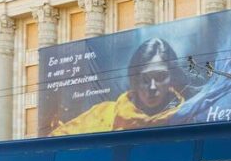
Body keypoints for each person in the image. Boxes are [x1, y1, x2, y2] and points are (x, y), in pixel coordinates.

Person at [52, 38, 187, 135]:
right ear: (134, 80)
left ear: (171, 79)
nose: (152, 87)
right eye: (145, 79)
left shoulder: (189, 116)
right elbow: (54, 143)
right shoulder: (103, 114)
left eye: (160, 77)